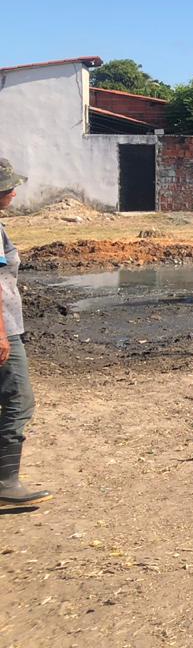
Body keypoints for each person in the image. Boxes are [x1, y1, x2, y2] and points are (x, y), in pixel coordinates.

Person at [0, 158, 52, 508]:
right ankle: (5, 481)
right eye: (7, 187)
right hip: (4, 329)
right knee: (19, 401)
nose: (14, 191)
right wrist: (2, 334)